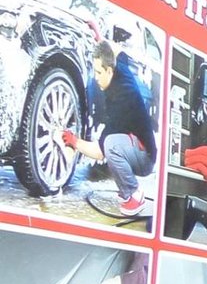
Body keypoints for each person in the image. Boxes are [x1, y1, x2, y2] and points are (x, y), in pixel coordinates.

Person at [61, 41, 156, 216]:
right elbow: (118, 51)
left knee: (111, 145)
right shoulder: (120, 67)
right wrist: (100, 41)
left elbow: (99, 152)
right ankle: (126, 186)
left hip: (145, 159)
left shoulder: (121, 101)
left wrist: (74, 141)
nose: (95, 77)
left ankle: (133, 194)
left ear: (110, 71)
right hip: (137, 144)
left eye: (99, 72)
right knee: (114, 144)